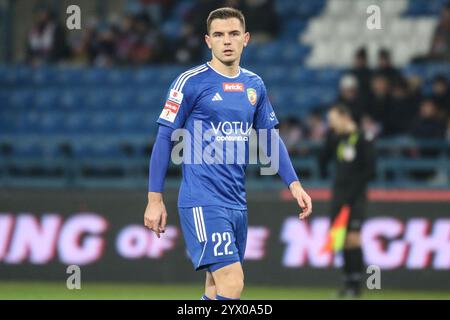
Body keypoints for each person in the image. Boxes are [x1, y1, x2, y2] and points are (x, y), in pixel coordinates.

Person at [143, 7, 312, 300]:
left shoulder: (254, 85)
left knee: (215, 287)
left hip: (236, 201)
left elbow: (270, 138)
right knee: (233, 282)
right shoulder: (190, 82)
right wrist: (154, 199)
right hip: (202, 199)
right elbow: (164, 138)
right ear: (208, 41)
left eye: (233, 34)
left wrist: (294, 183)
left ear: (246, 38)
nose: (227, 41)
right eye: (219, 35)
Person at [319, 104, 376, 298]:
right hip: (338, 196)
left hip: (355, 198)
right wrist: (331, 137)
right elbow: (323, 161)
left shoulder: (363, 138)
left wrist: (353, 194)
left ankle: (356, 285)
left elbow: (370, 170)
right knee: (341, 240)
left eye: (333, 120)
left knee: (353, 239)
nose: (331, 124)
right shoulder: (337, 139)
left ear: (345, 117)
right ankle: (347, 281)